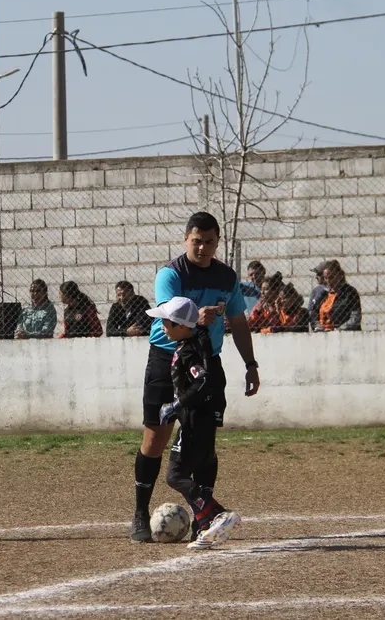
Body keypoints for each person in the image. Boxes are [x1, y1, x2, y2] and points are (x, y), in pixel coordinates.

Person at [131, 211, 259, 544]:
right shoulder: (171, 274)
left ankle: (205, 519)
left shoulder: (226, 277)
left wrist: (250, 364)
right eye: (197, 241)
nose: (202, 248)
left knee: (204, 444)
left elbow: (238, 322)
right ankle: (140, 513)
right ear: (186, 239)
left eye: (209, 242)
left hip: (206, 361)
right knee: (155, 439)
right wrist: (197, 318)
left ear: (218, 242)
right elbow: (173, 319)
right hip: (167, 359)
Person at [149, 296, 242, 550]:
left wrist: (176, 405)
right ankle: (204, 526)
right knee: (199, 472)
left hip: (193, 421)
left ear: (180, 325)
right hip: (203, 419)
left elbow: (202, 380)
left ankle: (218, 514)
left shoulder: (188, 351)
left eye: (165, 323)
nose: (162, 327)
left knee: (175, 475)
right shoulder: (198, 339)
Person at [316, 260, 362, 331]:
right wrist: (319, 327)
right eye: (326, 278)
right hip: (323, 333)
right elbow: (314, 314)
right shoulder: (323, 293)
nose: (328, 281)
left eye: (332, 277)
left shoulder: (349, 292)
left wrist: (337, 331)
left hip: (343, 333)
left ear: (339, 276)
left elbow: (355, 318)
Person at [306, 261, 329, 332]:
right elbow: (311, 311)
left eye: (319, 274)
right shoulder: (316, 291)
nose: (316, 277)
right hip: (318, 327)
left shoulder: (337, 290)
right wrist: (317, 325)